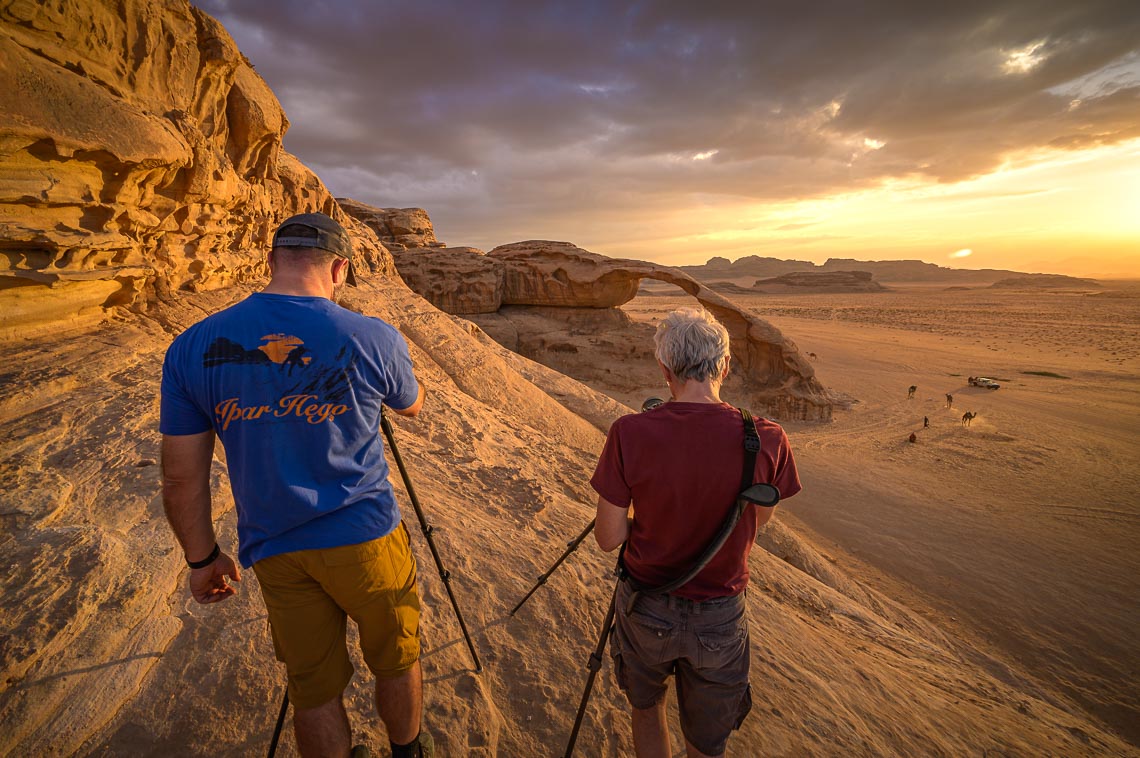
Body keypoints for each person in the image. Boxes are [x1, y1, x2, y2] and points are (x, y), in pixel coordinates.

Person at [160, 212, 431, 758]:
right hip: (365, 536)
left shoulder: (193, 346)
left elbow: (180, 472)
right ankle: (408, 751)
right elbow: (412, 405)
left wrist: (201, 559)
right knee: (397, 657)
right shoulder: (372, 335)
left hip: (277, 545)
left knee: (312, 690)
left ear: (270, 263)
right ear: (340, 268)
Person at [591, 307, 801, 757]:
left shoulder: (629, 432)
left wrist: (652, 525)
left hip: (646, 605)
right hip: (720, 618)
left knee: (647, 708)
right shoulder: (767, 439)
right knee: (707, 744)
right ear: (724, 365)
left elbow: (608, 536)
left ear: (664, 369)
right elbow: (754, 527)